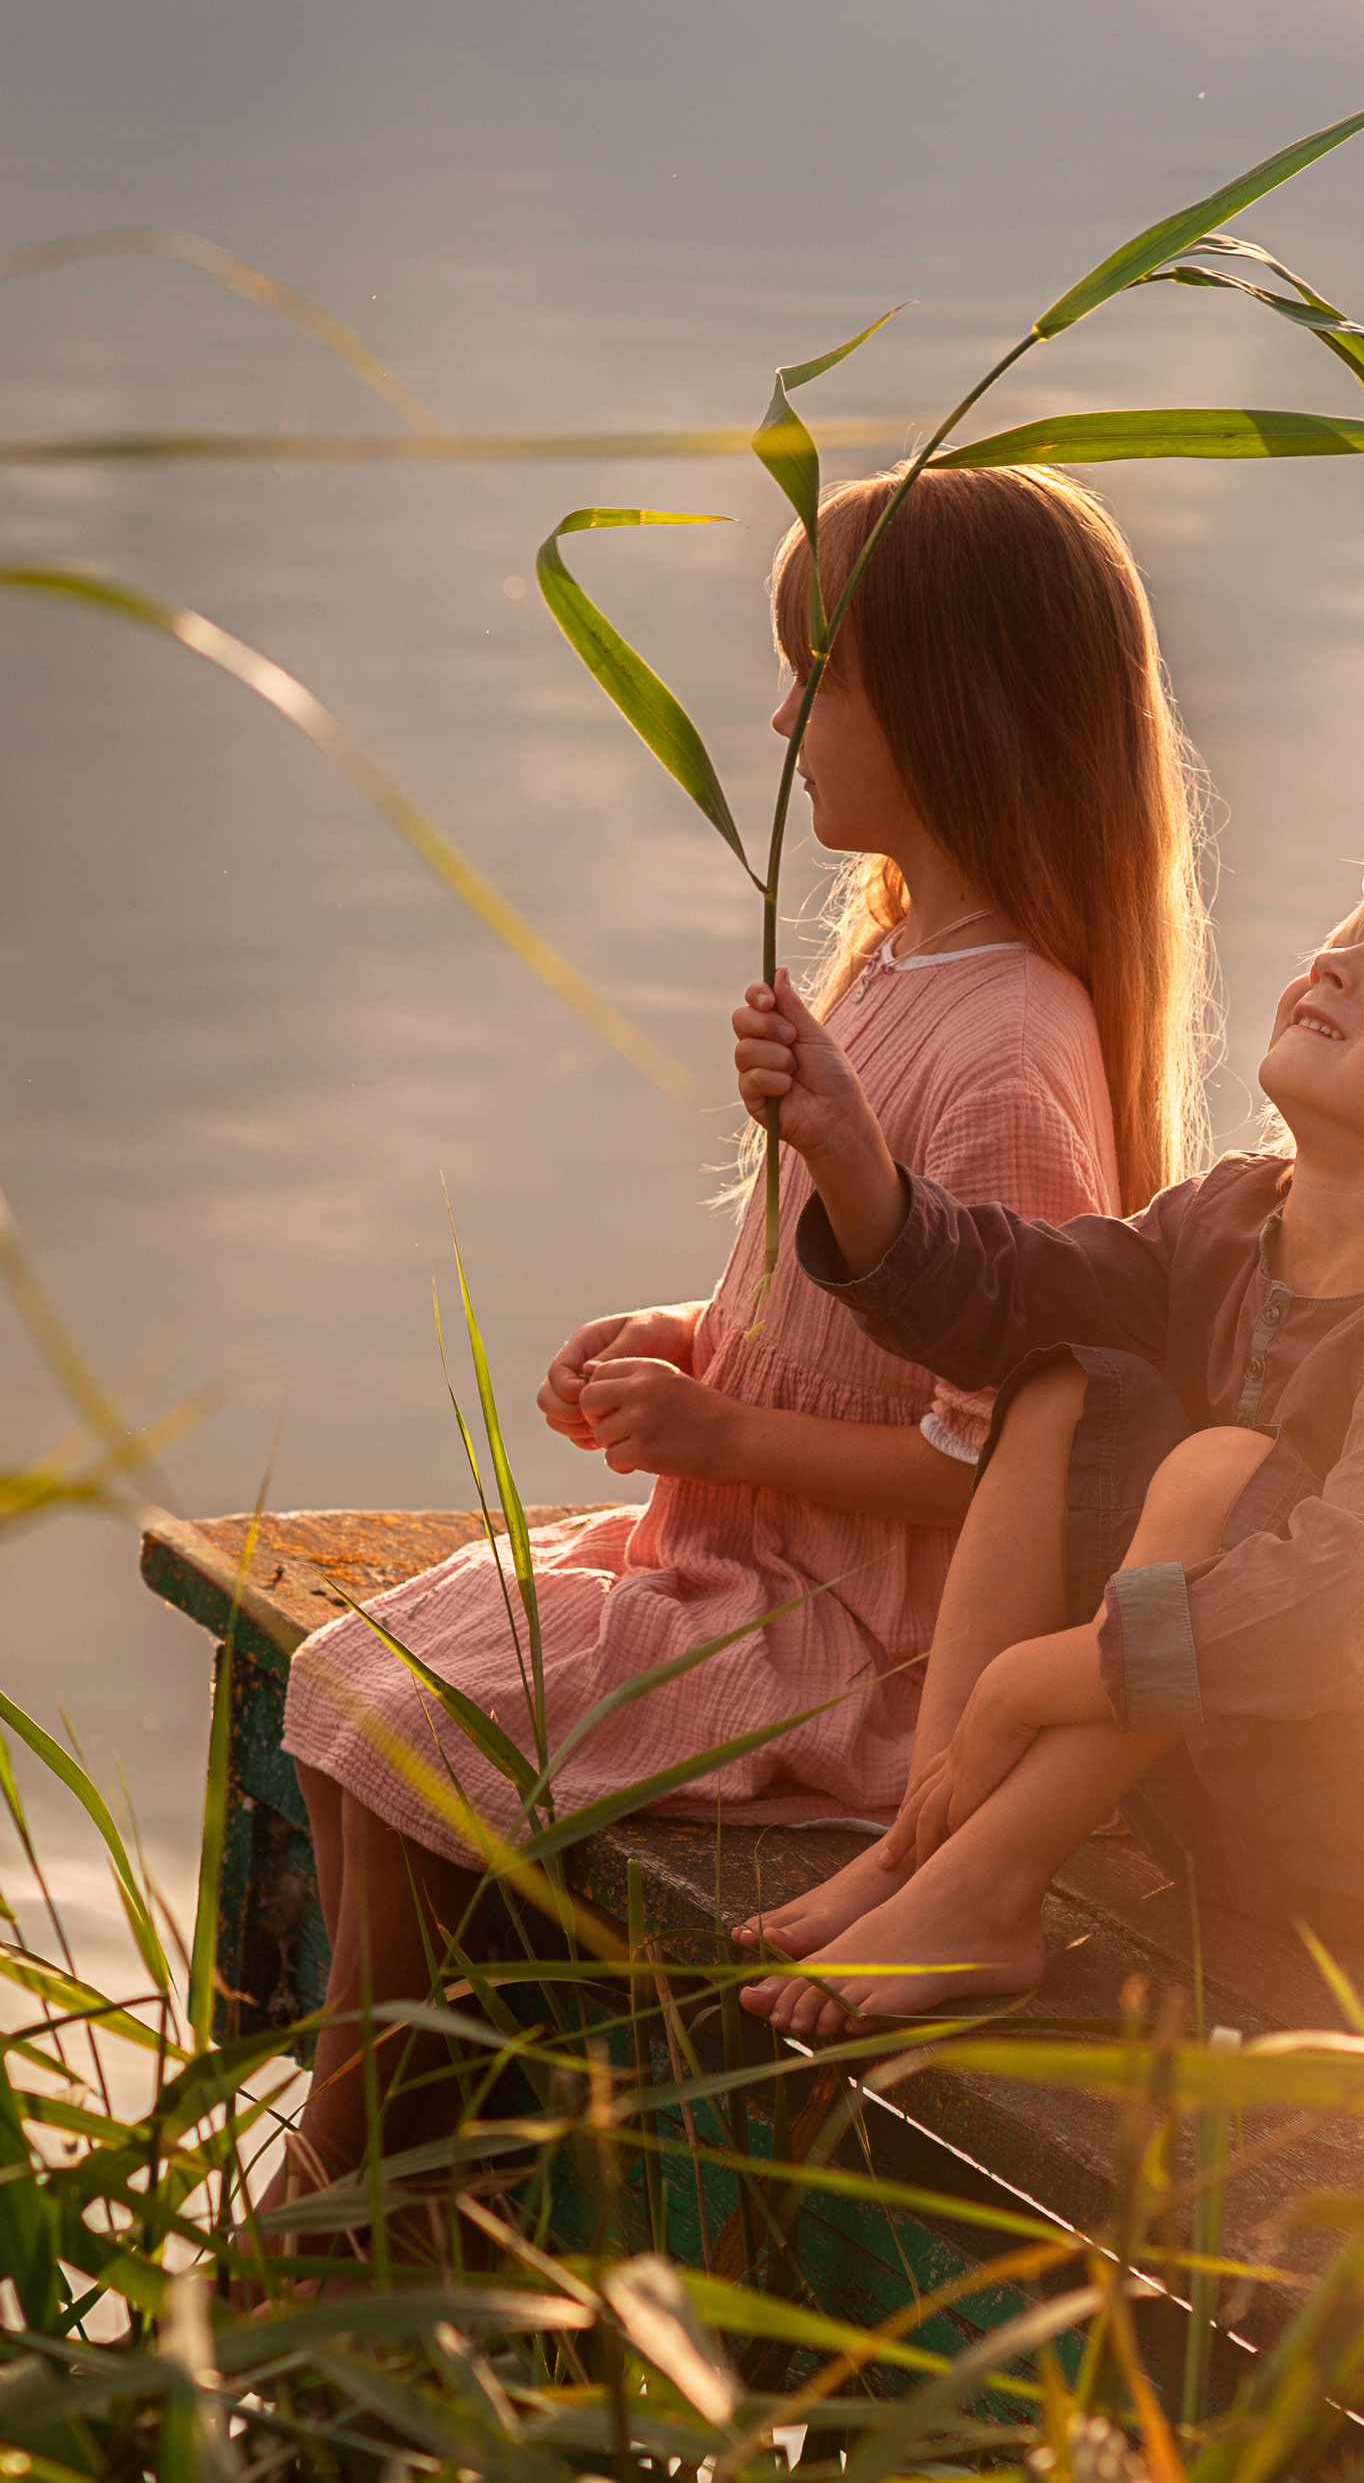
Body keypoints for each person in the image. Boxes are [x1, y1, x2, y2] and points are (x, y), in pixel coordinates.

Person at [274, 462, 1210, 2193]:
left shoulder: (1008, 1047)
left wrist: (719, 1440)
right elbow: (832, 1295)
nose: (778, 712)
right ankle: (396, 2191)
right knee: (351, 1691)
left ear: (947, 705)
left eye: (818, 676)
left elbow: (1000, 1466)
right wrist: (693, 1338)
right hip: (735, 1557)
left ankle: (335, 2205)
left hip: (859, 1641)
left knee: (404, 1731)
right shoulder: (900, 957)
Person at [729, 848, 1364, 2040]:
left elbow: (1338, 1622)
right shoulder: (1228, 1221)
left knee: (1217, 1475)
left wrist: (1035, 1680)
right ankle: (931, 1844)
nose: (1336, 963)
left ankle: (980, 1890)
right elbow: (1017, 1297)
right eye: (1345, 936)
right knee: (1065, 1381)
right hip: (1217, 1804)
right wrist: (852, 1163)